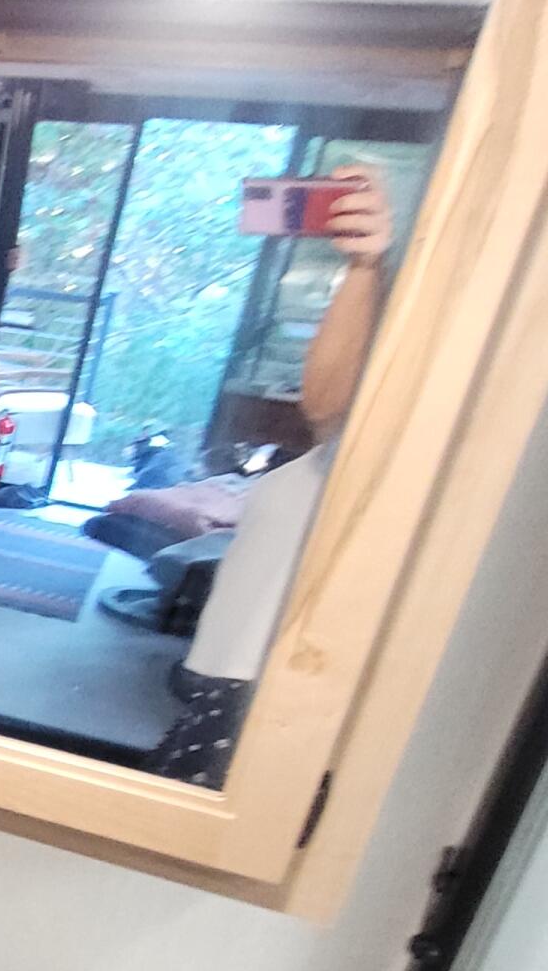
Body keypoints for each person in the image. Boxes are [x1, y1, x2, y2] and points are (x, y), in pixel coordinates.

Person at [146, 164, 394, 788]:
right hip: (238, 668)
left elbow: (324, 405)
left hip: (264, 680)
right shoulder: (333, 456)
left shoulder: (364, 449)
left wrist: (366, 269)